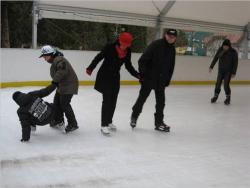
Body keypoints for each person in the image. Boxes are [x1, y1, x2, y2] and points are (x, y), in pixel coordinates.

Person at [86, 32, 140, 135]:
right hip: (104, 76)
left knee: (113, 101)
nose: (125, 46)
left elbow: (128, 66)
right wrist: (90, 68)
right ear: (119, 41)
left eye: (127, 44)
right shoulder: (110, 47)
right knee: (106, 101)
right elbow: (99, 57)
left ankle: (109, 121)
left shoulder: (128, 51)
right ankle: (103, 125)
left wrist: (137, 75)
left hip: (115, 78)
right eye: (124, 43)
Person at [130, 29, 177, 132]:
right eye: (169, 36)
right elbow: (142, 60)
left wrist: (167, 79)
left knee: (161, 103)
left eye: (173, 37)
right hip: (149, 79)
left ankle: (159, 123)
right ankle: (134, 116)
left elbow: (171, 66)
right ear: (165, 35)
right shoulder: (156, 45)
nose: (170, 38)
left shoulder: (172, 50)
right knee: (142, 99)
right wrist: (143, 75)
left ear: (175, 38)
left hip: (161, 81)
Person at [39, 45, 79, 132]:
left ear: (50, 54)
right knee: (56, 102)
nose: (44, 59)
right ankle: (58, 120)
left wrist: (54, 82)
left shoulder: (59, 59)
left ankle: (73, 124)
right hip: (62, 86)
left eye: (45, 56)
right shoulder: (56, 60)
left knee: (64, 104)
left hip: (69, 85)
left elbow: (62, 71)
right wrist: (56, 82)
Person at [209, 39, 238, 105]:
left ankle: (228, 98)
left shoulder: (233, 52)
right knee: (218, 84)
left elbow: (235, 63)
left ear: (229, 46)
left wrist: (234, 72)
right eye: (224, 46)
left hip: (228, 72)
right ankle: (215, 96)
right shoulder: (220, 50)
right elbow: (216, 58)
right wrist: (211, 66)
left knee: (226, 85)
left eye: (226, 47)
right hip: (221, 71)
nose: (224, 47)